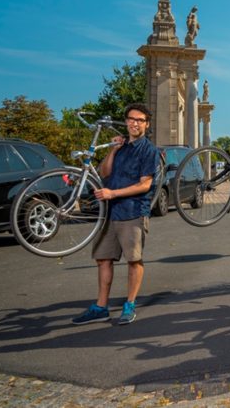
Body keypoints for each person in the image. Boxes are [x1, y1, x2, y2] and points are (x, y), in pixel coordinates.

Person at [72, 103, 159, 326]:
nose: (134, 123)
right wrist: (113, 149)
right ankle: (101, 306)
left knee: (134, 260)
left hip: (132, 211)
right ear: (126, 121)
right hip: (109, 212)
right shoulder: (120, 145)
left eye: (140, 120)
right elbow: (104, 172)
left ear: (146, 124)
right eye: (131, 119)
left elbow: (145, 185)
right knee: (103, 259)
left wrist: (113, 192)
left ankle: (129, 305)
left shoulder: (149, 150)